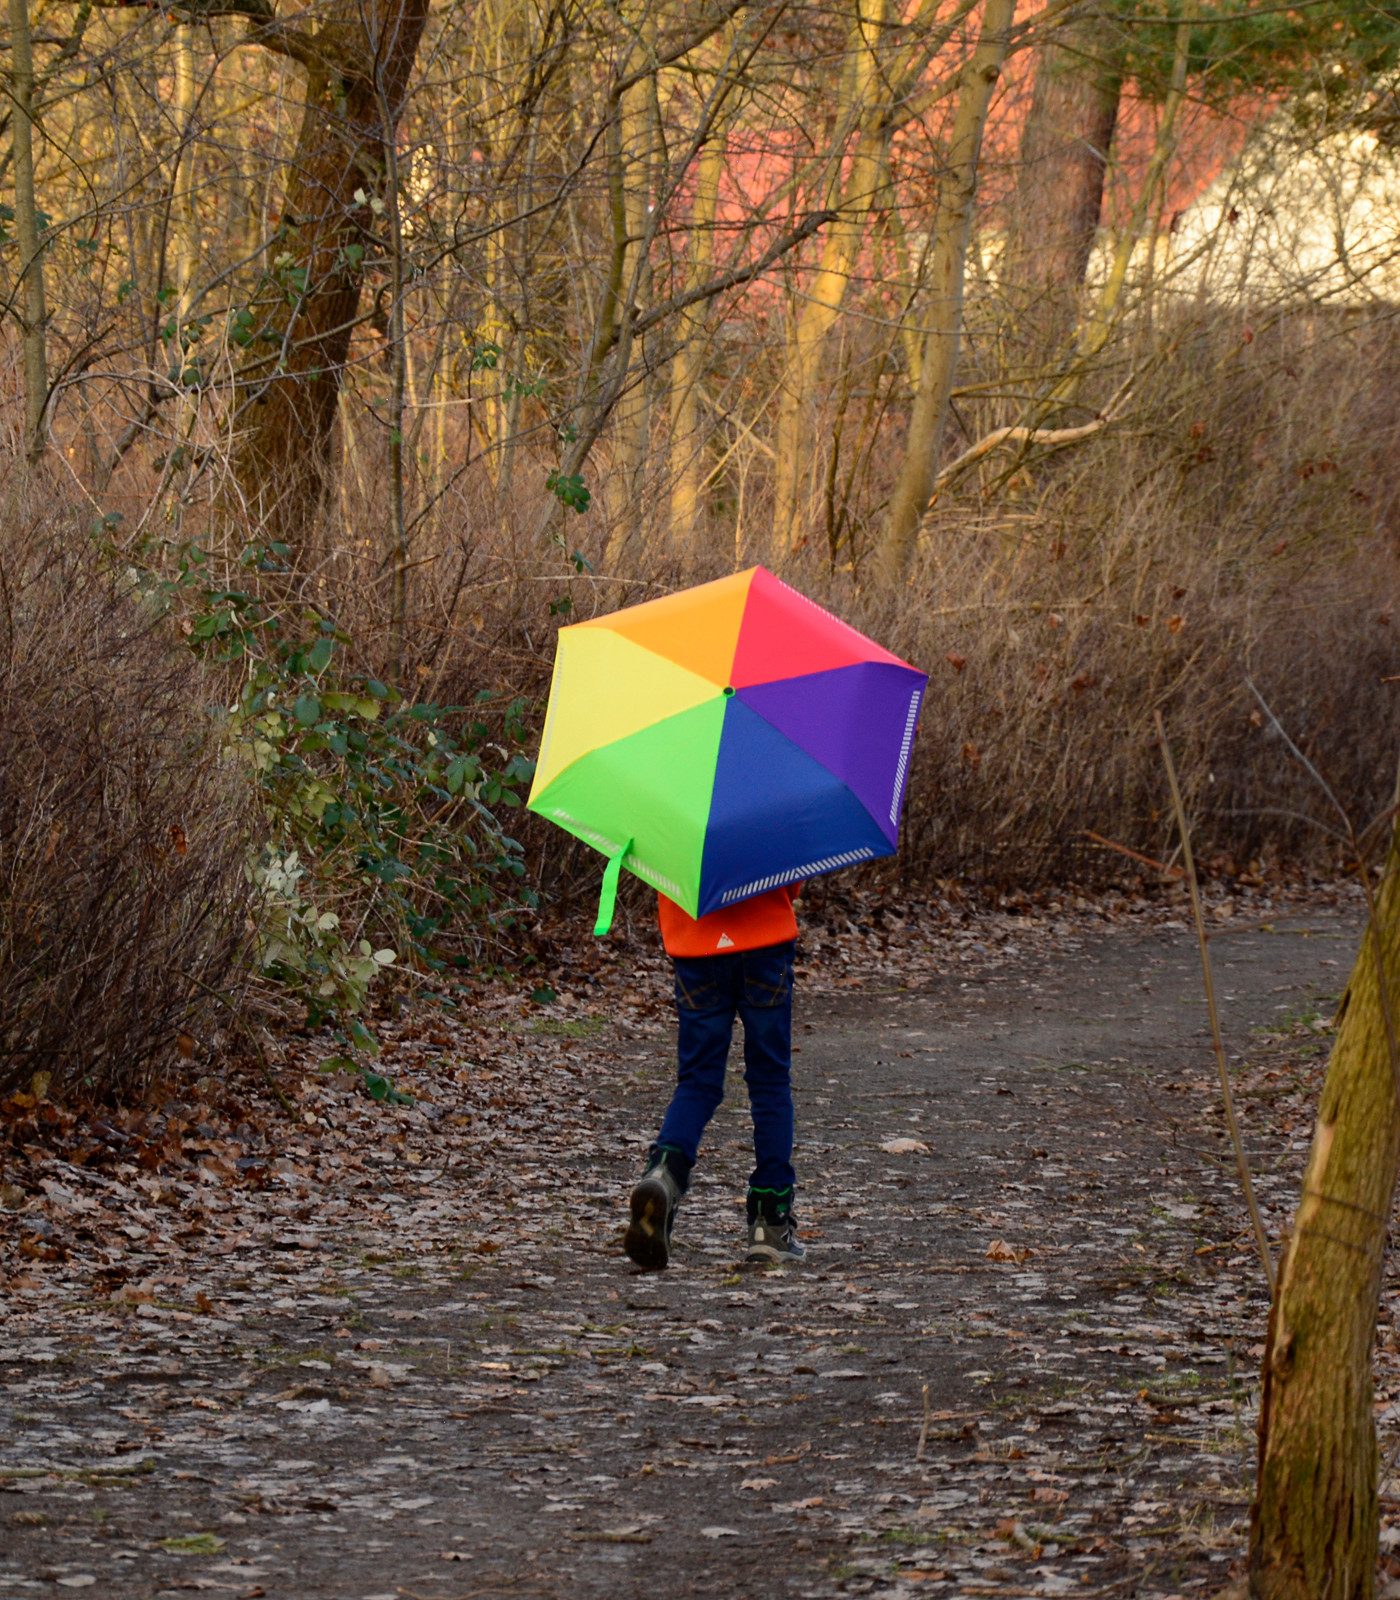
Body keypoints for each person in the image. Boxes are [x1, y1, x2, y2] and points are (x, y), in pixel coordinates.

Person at [623, 883, 804, 1271]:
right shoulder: (765, 833)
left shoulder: (676, 836)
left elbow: (663, 870)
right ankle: (770, 1224)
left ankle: (665, 1173)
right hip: (765, 940)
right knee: (770, 1083)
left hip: (696, 941)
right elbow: (793, 875)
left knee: (697, 1081)